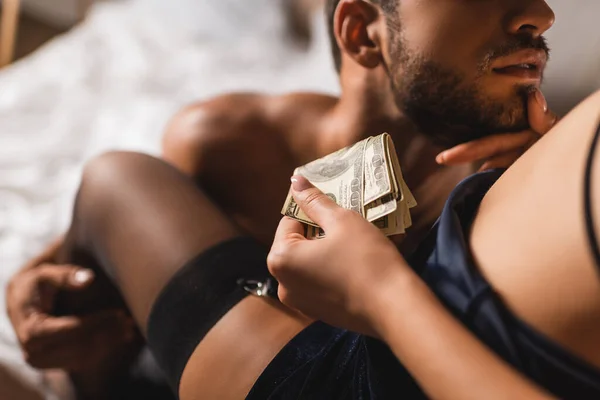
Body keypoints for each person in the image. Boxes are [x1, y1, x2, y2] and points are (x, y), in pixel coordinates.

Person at [6, 0, 563, 397]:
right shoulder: (229, 142)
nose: (542, 14)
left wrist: (545, 178)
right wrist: (36, 276)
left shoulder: (507, 195)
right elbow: (123, 244)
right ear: (361, 33)